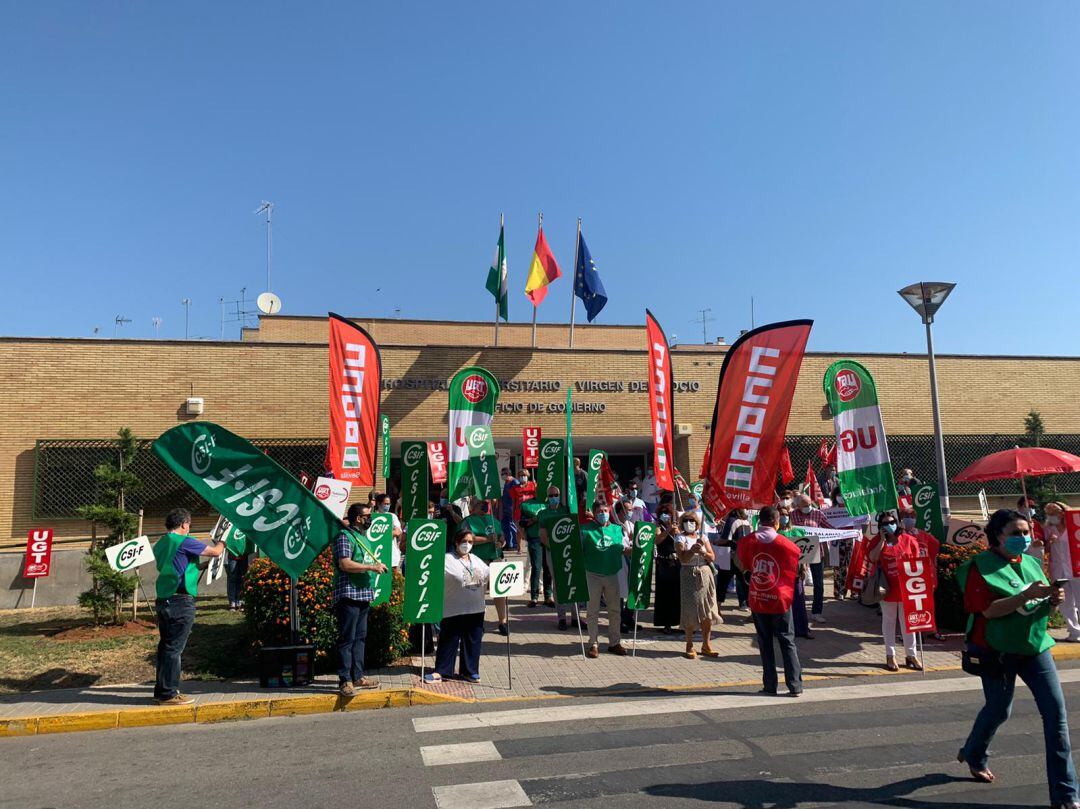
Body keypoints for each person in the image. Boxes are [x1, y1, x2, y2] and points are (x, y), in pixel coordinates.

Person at [956, 509, 1078, 807]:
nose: (1024, 538)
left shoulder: (1034, 564)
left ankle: (1065, 795)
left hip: (1034, 648)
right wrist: (1024, 597)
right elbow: (987, 611)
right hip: (994, 651)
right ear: (997, 535)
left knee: (1056, 718)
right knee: (999, 710)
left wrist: (1051, 601)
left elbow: (1036, 609)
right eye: (1016, 533)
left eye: (1026, 532)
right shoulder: (979, 567)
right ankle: (974, 752)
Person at [151, 508, 227, 705]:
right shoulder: (185, 541)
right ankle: (169, 693)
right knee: (174, 648)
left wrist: (199, 566)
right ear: (184, 524)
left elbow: (178, 564)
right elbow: (216, 552)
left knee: (166, 647)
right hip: (180, 600)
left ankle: (161, 690)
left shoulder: (161, 543)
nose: (189, 528)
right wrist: (224, 539)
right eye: (189, 525)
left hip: (164, 598)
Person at [736, 505, 803, 697]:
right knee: (787, 640)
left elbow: (740, 561)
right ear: (776, 521)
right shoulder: (786, 544)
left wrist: (749, 571)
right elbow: (796, 563)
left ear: (759, 520)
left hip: (758, 596)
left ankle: (770, 685)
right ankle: (795, 685)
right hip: (780, 598)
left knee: (764, 642)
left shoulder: (747, 541)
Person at [333, 503, 387, 696]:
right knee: (347, 639)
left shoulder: (364, 539)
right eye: (367, 515)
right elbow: (345, 563)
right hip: (348, 593)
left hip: (364, 593)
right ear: (358, 518)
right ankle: (345, 680)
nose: (370, 519)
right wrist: (372, 568)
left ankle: (358, 676)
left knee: (360, 638)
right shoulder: (344, 537)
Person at [426, 529, 490, 683]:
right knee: (449, 640)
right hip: (453, 608)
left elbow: (489, 576)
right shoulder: (447, 559)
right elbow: (433, 578)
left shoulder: (476, 560)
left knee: (473, 642)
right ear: (456, 542)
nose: (466, 545)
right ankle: (442, 671)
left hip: (476, 609)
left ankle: (469, 671)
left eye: (470, 542)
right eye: (463, 541)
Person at [867, 511, 921, 671]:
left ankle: (911, 655)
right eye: (884, 523)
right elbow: (873, 558)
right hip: (886, 588)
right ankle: (890, 656)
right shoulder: (877, 541)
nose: (888, 525)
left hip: (907, 587)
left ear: (896, 523)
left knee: (908, 623)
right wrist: (882, 541)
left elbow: (917, 562)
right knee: (889, 621)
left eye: (891, 522)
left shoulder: (908, 540)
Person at [580, 498, 631, 657]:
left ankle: (614, 642)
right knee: (592, 611)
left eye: (605, 511)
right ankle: (593, 643)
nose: (603, 514)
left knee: (615, 610)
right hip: (592, 574)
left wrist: (638, 547)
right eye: (599, 512)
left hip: (612, 574)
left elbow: (624, 549)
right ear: (594, 514)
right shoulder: (585, 530)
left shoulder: (617, 529)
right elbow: (578, 552)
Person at [675, 509, 720, 658]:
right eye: (687, 521)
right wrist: (692, 551)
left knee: (707, 610)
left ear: (697, 524)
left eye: (693, 521)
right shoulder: (680, 538)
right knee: (690, 610)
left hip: (705, 574)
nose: (690, 524)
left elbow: (712, 557)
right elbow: (683, 559)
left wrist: (702, 553)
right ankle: (689, 644)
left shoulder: (703, 537)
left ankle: (706, 645)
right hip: (689, 575)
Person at [461, 498, 508, 635]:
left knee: (499, 591)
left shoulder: (493, 519)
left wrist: (501, 541)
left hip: (495, 558)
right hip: (476, 561)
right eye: (481, 504)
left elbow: (502, 536)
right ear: (473, 506)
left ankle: (502, 621)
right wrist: (487, 539)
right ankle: (477, 623)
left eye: (485, 505)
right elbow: (468, 539)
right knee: (476, 593)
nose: (484, 507)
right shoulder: (468, 521)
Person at [790, 494, 835, 624]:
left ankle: (816, 612)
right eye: (805, 505)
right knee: (797, 583)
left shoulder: (818, 514)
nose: (808, 507)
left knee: (819, 584)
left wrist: (844, 532)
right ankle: (797, 612)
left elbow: (830, 528)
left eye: (809, 504)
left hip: (816, 552)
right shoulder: (792, 515)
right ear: (798, 506)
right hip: (799, 553)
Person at [901, 507, 943, 639]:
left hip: (925, 575)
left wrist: (931, 562)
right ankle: (911, 632)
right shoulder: (900, 536)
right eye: (907, 517)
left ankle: (931, 629)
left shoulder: (923, 535)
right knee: (910, 604)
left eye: (912, 517)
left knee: (928, 603)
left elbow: (935, 546)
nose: (910, 519)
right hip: (909, 575)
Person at [1044, 501, 1080, 642]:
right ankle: (1074, 632)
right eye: (1049, 513)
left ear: (1063, 512)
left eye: (1054, 512)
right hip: (1059, 570)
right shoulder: (1047, 529)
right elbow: (1043, 549)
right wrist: (1049, 543)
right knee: (1066, 603)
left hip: (1076, 568)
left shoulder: (1075, 526)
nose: (1052, 516)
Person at [519, 486, 555, 608]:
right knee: (536, 567)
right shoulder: (526, 505)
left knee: (548, 568)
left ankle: (548, 596)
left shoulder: (549, 503)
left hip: (549, 539)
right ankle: (534, 597)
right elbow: (522, 523)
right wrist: (534, 519)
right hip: (534, 538)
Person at [713, 508, 750, 610]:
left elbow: (725, 539)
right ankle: (752, 611)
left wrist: (715, 542)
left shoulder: (732, 520)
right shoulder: (746, 521)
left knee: (722, 582)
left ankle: (717, 608)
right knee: (745, 584)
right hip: (742, 556)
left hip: (729, 556)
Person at [652, 502, 681, 633]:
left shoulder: (677, 526)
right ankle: (666, 623)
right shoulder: (658, 526)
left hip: (676, 562)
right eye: (663, 513)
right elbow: (657, 540)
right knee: (665, 594)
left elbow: (681, 540)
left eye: (668, 513)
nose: (666, 515)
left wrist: (675, 530)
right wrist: (667, 530)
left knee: (677, 593)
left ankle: (678, 622)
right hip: (663, 563)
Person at [224, 528, 255, 611]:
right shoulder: (229, 525)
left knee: (242, 578)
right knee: (232, 578)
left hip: (244, 556)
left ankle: (240, 601)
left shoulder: (244, 523)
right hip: (232, 556)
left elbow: (249, 540)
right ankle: (232, 602)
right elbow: (220, 537)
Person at [499, 467, 521, 552]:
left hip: (512, 509)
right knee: (505, 527)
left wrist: (514, 509)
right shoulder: (506, 483)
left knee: (512, 527)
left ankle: (514, 544)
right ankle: (508, 543)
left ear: (507, 474)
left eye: (503, 474)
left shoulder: (514, 482)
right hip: (506, 509)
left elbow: (516, 497)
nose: (502, 476)